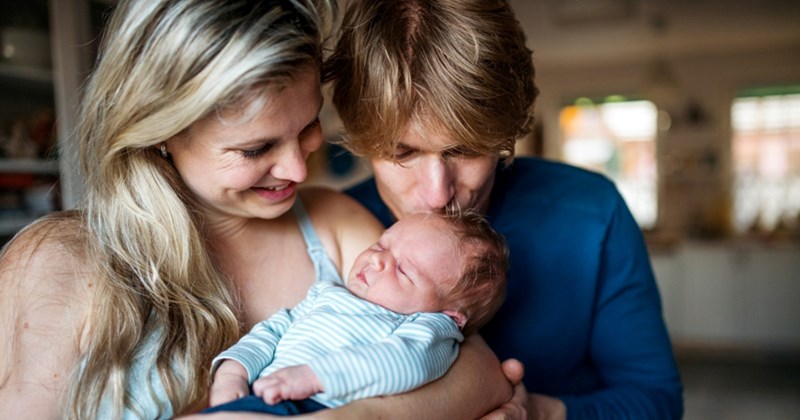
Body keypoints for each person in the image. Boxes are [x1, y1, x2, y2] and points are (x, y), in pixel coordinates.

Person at [0, 0, 516, 418]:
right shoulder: (57, 263)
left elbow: (478, 368)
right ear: (160, 133)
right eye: (256, 149)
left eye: (308, 126)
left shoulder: (332, 223)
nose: (296, 168)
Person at [324, 0, 685, 418]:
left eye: (467, 150)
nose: (438, 194)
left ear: (505, 133)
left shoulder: (592, 214)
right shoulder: (329, 225)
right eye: (401, 152)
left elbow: (656, 400)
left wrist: (541, 412)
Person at [204, 210, 509, 415]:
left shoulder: (426, 327)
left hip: (318, 404)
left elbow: (403, 362)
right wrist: (232, 374)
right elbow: (270, 332)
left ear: (450, 316)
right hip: (260, 396)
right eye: (381, 244)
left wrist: (313, 376)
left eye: (403, 270)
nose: (376, 261)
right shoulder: (326, 293)